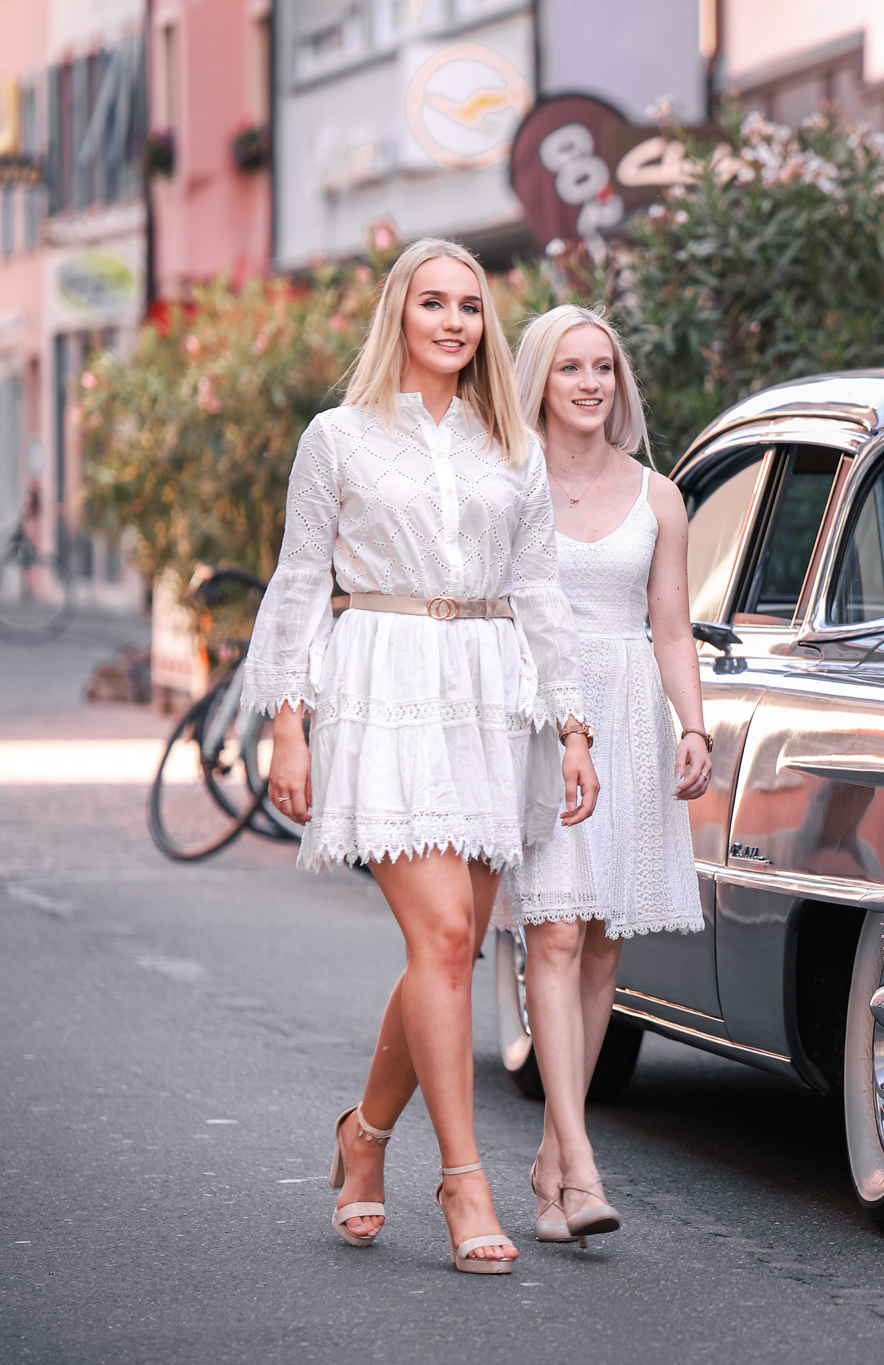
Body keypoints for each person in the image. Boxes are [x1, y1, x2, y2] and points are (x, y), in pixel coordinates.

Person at [246, 239, 597, 1274]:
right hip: (383, 686)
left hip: (491, 699)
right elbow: (301, 578)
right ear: (398, 314)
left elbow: (540, 593)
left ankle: (362, 1138)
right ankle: (462, 1178)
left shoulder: (512, 446)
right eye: (433, 303)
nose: (453, 321)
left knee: (446, 948)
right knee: (443, 932)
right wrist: (286, 719)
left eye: (470, 307)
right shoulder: (339, 437)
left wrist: (572, 726)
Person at [499, 305, 710, 1247]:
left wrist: (692, 724)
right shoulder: (507, 486)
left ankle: (553, 1157)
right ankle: (582, 1167)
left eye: (604, 368)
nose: (590, 384)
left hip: (627, 712)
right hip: (541, 714)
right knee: (552, 933)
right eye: (571, 368)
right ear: (539, 380)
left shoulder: (660, 496)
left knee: (601, 949)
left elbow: (670, 626)